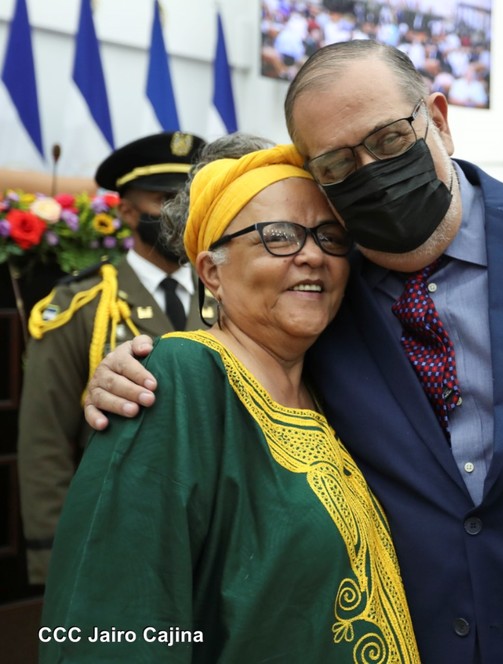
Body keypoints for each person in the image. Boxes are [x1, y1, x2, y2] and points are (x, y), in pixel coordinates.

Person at [84, 40, 503, 662]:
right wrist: (135, 377)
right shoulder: (322, 295)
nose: (371, 171)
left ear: (438, 118)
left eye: (388, 138)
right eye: (336, 163)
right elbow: (236, 360)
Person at [40, 143, 420, 662]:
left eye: (330, 237)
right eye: (278, 235)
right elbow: (112, 622)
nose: (313, 255)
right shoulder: (176, 380)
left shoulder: (338, 382)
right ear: (211, 272)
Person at [16, 131, 210, 584]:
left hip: (215, 536)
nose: (179, 212)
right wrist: (56, 558)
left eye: (188, 198)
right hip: (120, 539)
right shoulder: (82, 305)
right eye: (164, 199)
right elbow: (45, 440)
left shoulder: (226, 294)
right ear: (125, 211)